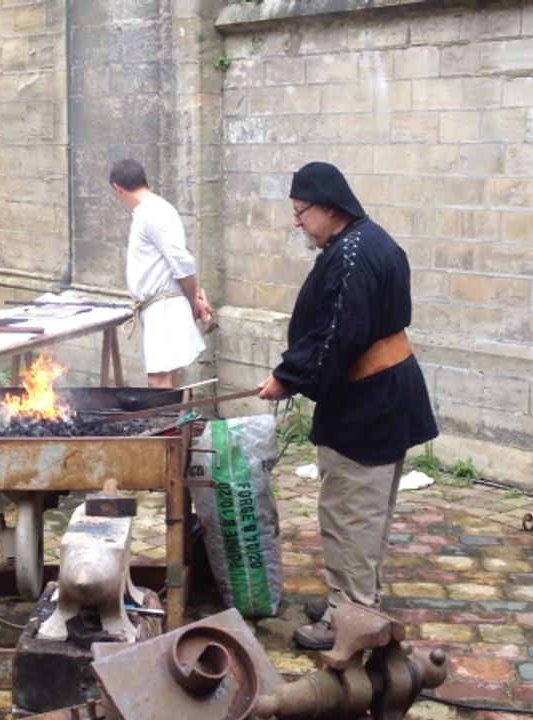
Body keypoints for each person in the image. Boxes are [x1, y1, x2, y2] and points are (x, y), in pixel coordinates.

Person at [257, 161, 439, 651]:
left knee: (350, 512)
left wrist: (287, 377)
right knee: (366, 510)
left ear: (330, 209)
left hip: (369, 402)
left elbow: (340, 334)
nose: (297, 221)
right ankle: (355, 598)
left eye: (301, 211)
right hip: (382, 395)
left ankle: (350, 615)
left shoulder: (352, 256)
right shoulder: (365, 239)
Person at [110, 158, 214, 388]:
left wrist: (193, 299)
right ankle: (174, 423)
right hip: (158, 307)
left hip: (165, 307)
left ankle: (165, 424)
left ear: (117, 188)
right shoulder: (149, 211)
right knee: (165, 378)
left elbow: (182, 262)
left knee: (158, 381)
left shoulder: (153, 212)